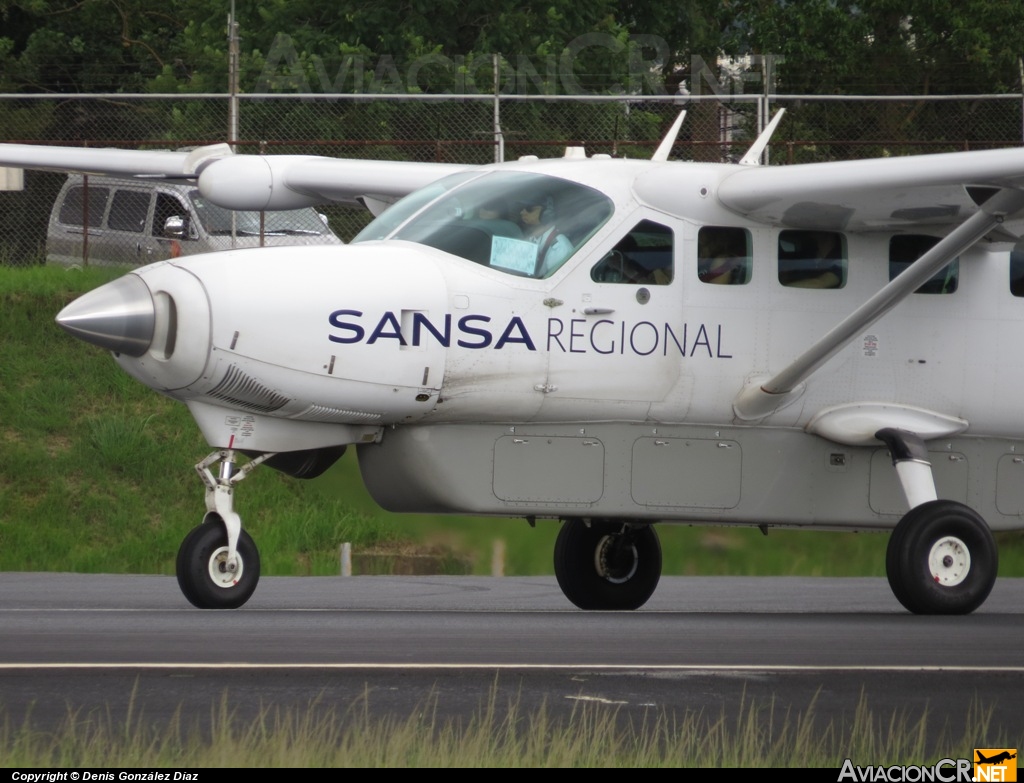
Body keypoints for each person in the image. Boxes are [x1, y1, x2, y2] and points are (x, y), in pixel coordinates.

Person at [517, 195, 573, 276]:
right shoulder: (533, 238)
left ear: (546, 213)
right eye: (521, 209)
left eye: (529, 209)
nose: (522, 212)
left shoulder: (559, 247)